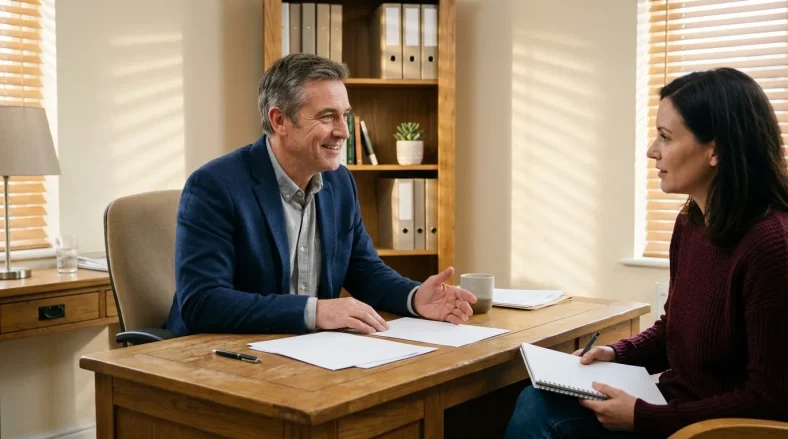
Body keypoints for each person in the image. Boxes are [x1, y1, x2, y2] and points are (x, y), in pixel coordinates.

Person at [505, 67, 788, 438]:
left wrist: (644, 418)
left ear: (715, 150)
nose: (652, 150)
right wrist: (615, 353)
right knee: (536, 397)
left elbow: (771, 400)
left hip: (709, 431)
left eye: (666, 137)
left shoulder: (772, 247)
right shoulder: (691, 223)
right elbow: (675, 333)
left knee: (540, 412)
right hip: (673, 413)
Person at [165, 53, 476, 336]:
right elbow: (203, 302)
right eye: (328, 116)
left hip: (310, 354)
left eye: (345, 116)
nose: (343, 131)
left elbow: (363, 269)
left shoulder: (339, 182)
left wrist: (415, 296)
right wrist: (315, 311)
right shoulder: (215, 186)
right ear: (279, 120)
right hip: (221, 357)